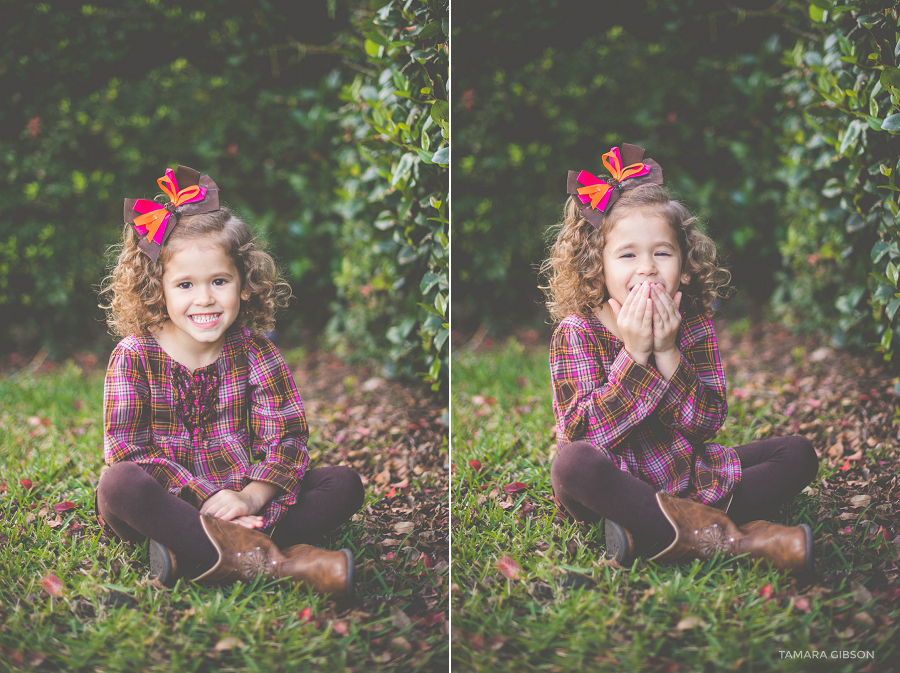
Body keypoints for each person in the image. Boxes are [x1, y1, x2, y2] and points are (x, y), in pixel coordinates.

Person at [541, 144, 819, 573]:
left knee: (798, 454)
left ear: (685, 268)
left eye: (662, 253)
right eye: (628, 254)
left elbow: (707, 423)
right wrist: (634, 354)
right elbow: (584, 434)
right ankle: (733, 540)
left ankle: (644, 530)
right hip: (610, 482)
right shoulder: (577, 333)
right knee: (572, 464)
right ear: (597, 267)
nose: (648, 268)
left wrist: (668, 351)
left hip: (684, 473)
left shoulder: (692, 325)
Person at [96, 165, 364, 597]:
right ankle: (274, 561)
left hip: (247, 494)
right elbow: (130, 450)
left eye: (219, 281)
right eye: (185, 284)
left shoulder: (256, 352)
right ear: (156, 289)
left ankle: (188, 552)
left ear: (243, 284)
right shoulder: (134, 356)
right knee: (119, 484)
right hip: (169, 501)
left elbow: (288, 437)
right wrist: (207, 501)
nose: (204, 298)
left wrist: (251, 498)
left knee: (344, 485)